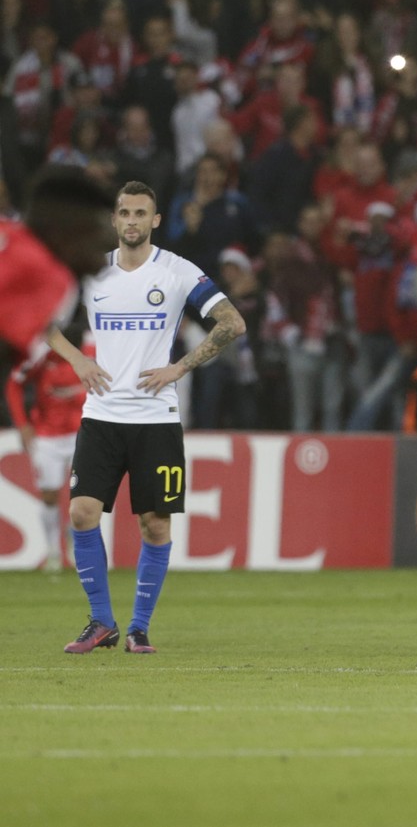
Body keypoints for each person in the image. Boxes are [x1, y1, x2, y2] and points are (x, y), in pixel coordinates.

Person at [47, 180, 246, 654]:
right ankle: (100, 622)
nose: (132, 221)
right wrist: (78, 360)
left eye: (141, 213)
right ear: (114, 220)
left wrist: (179, 367)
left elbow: (233, 322)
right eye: (125, 213)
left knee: (155, 525)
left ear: (155, 220)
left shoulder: (178, 272)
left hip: (157, 418)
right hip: (101, 414)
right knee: (80, 512)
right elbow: (40, 318)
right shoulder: (91, 273)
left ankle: (138, 628)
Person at [0, 166, 114, 364]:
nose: (103, 263)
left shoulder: (8, 233)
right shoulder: (49, 277)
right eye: (96, 242)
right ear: (68, 234)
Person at [4, 326, 91, 571]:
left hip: (82, 434)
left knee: (83, 496)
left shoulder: (93, 354)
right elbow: (13, 385)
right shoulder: (39, 358)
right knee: (50, 495)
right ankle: (53, 550)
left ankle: (76, 539)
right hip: (47, 436)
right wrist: (22, 425)